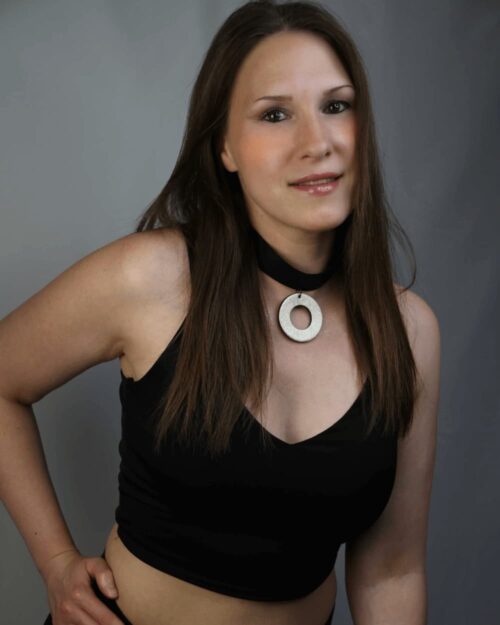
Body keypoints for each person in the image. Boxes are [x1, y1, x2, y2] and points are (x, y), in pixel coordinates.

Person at [0, 1, 441, 624]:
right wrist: (55, 562)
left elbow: (393, 569)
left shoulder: (409, 330)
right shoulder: (152, 278)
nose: (317, 142)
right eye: (275, 114)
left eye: (337, 106)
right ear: (225, 147)